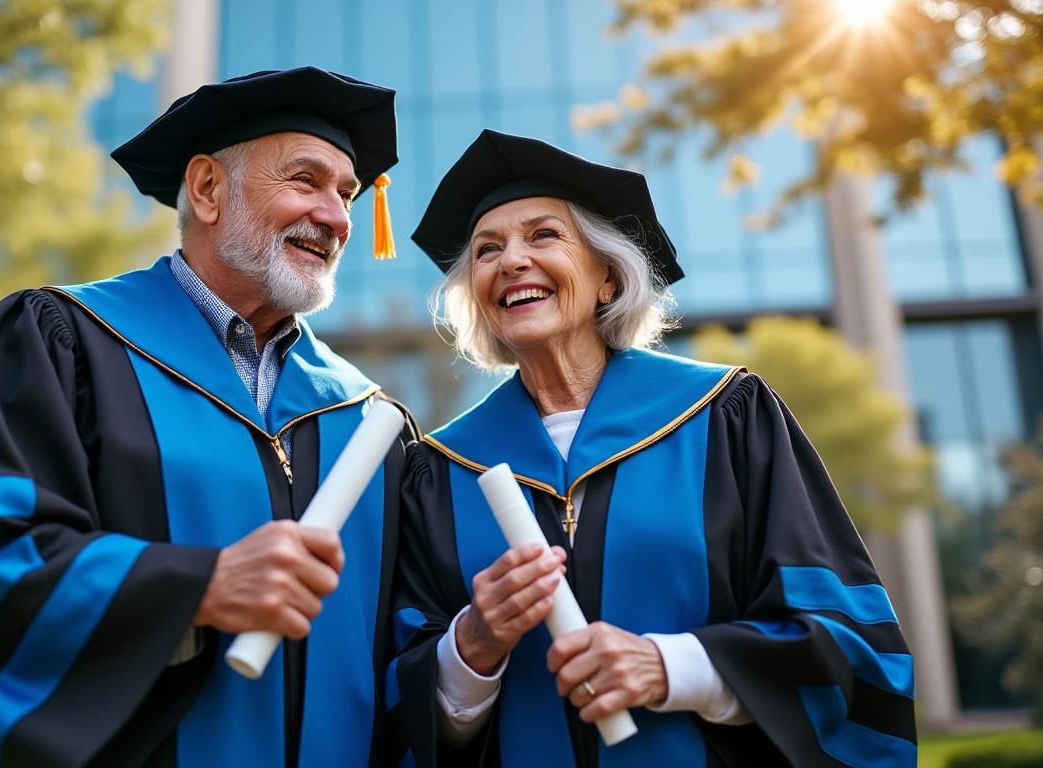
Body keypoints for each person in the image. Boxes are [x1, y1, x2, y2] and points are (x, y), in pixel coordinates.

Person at [0, 67, 414, 768]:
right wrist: (195, 589)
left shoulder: (372, 426)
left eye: (347, 194)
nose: (337, 217)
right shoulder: (61, 345)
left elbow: (407, 657)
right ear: (206, 189)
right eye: (306, 180)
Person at [387, 130, 916, 767]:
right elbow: (395, 705)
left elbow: (842, 637)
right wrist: (472, 644)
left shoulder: (725, 416)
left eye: (543, 235)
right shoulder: (439, 469)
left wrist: (670, 666)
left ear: (607, 276)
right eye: (486, 250)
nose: (511, 261)